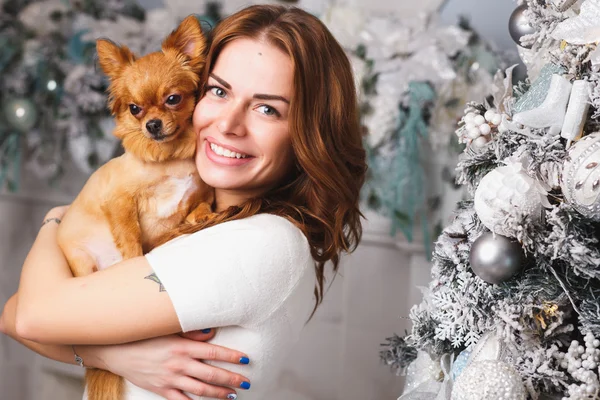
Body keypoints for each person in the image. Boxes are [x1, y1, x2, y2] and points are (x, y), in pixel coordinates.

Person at [0, 4, 366, 400]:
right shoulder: (199, 223)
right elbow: (15, 314)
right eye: (219, 91)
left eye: (267, 108)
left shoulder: (263, 242)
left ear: (310, 134)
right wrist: (113, 357)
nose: (227, 124)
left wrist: (55, 218)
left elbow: (31, 316)